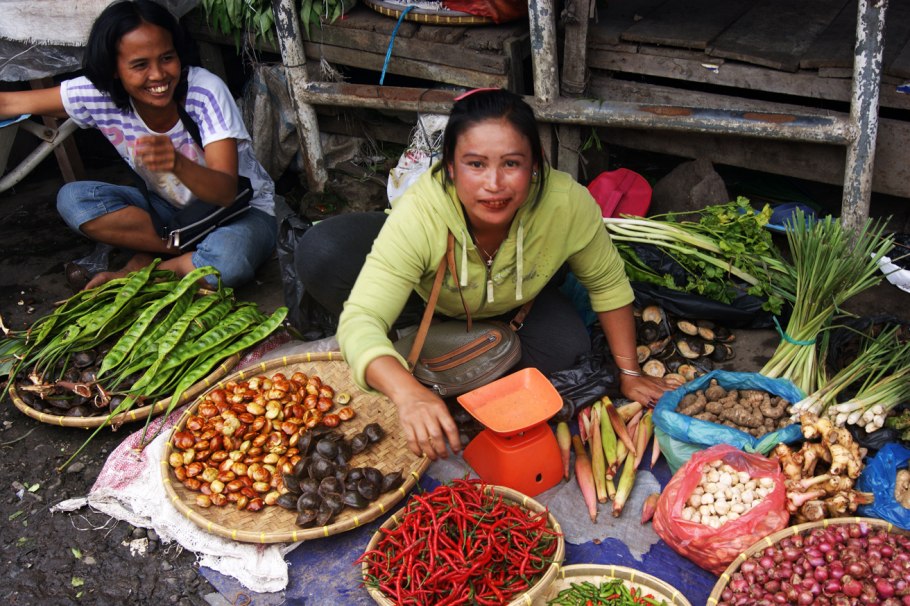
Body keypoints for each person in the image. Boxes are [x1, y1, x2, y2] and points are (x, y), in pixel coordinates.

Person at [296, 88, 676, 460]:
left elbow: (607, 283)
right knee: (325, 253)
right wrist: (407, 392)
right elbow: (361, 318)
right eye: (475, 164)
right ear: (450, 166)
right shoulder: (422, 213)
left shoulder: (567, 204)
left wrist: (629, 371)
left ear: (536, 164)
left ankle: (445, 353)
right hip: (427, 296)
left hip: (514, 305)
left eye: (511, 163)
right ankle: (410, 346)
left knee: (567, 353)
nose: (494, 184)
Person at [0, 0, 277, 290]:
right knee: (74, 201)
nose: (158, 75)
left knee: (228, 261)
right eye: (140, 65)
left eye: (167, 58)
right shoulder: (99, 94)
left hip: (241, 212)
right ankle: (187, 249)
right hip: (170, 211)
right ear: (114, 69)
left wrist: (177, 164)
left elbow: (225, 192)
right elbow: (10, 102)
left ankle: (150, 270)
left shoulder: (204, 92)